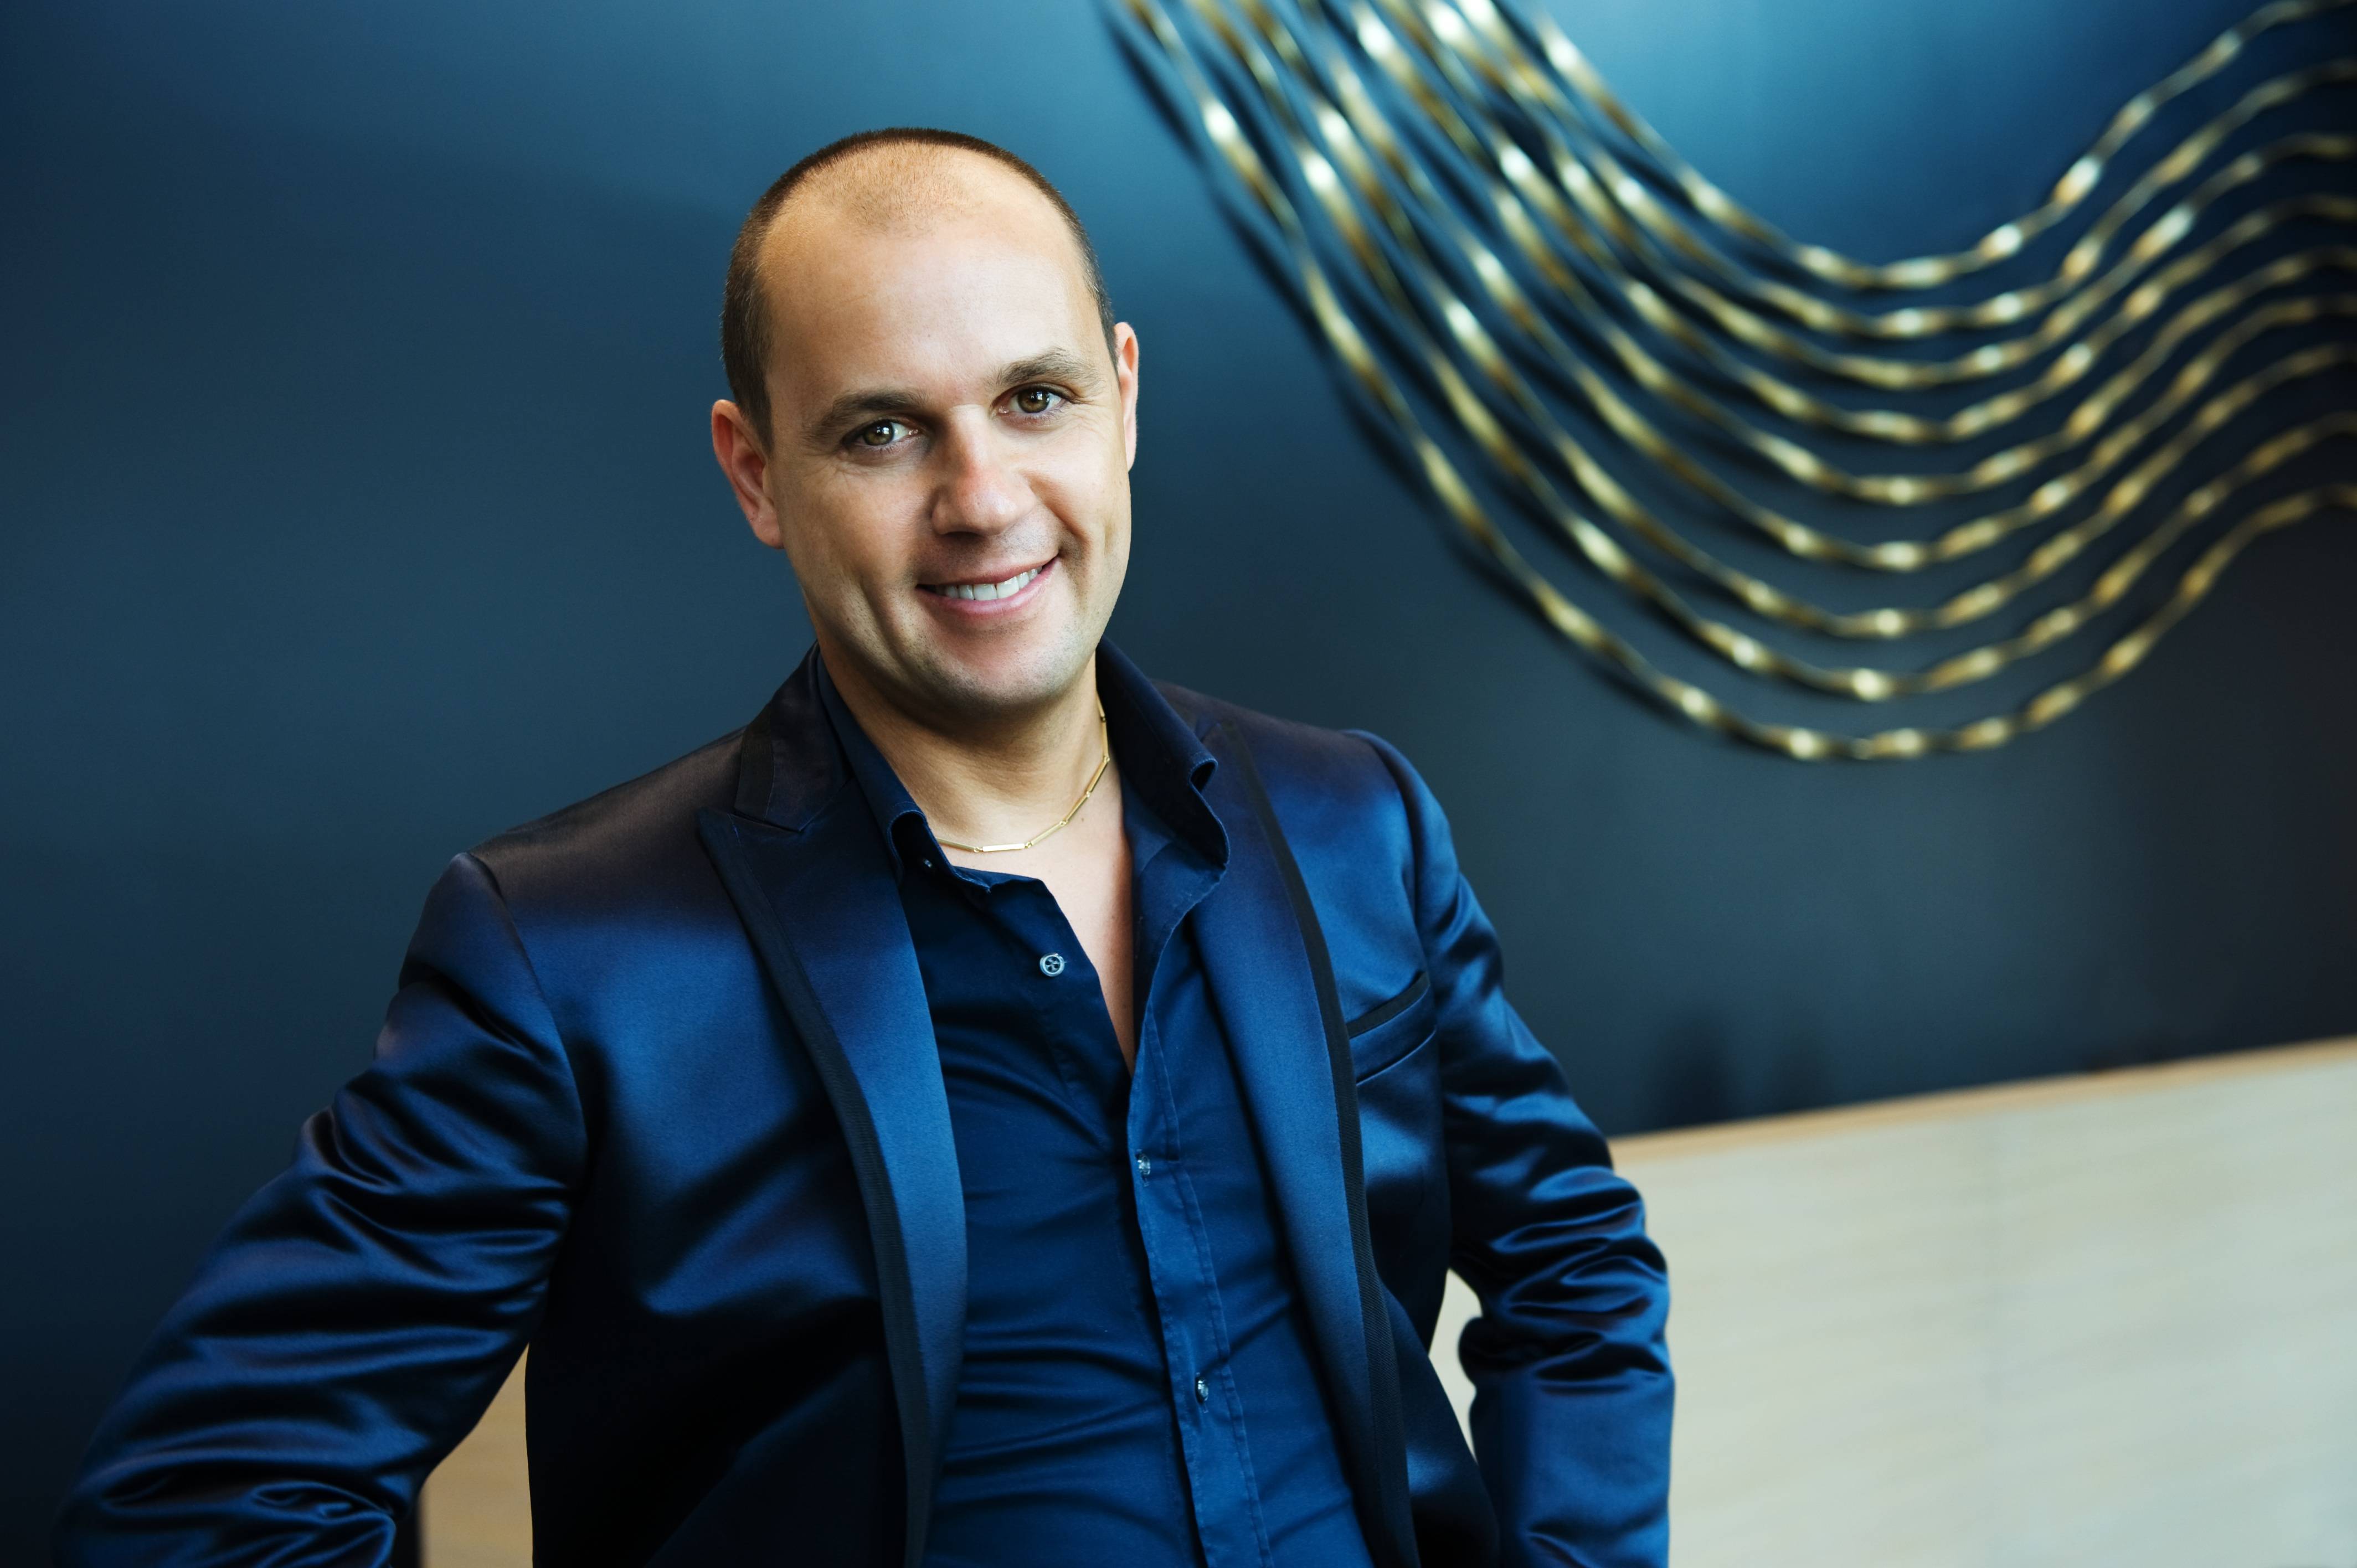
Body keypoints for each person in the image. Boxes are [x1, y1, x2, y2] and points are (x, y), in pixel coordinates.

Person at [55, 127, 1671, 1568]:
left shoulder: (1354, 820)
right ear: (756, 474)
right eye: (885, 432)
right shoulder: (568, 954)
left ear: (1122, 400)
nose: (983, 499)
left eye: (1034, 400)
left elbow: (1573, 1256)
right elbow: (204, 1502)